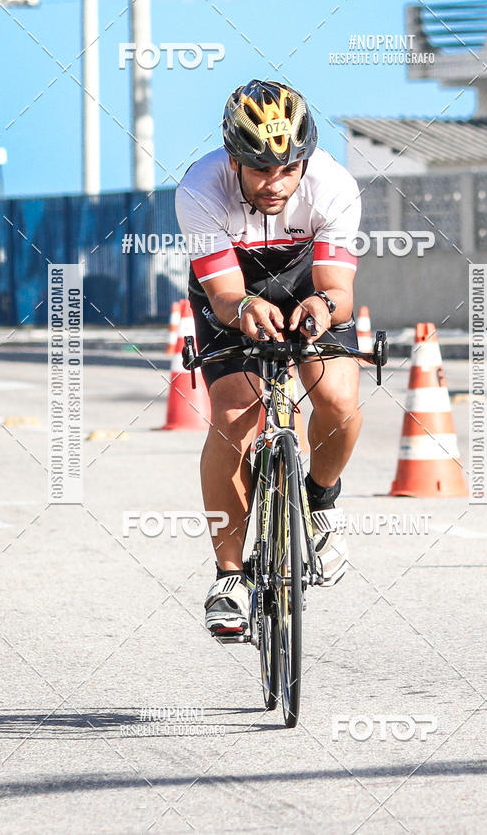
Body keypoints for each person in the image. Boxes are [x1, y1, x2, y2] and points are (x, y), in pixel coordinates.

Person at [175, 79, 363, 637]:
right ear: (233, 160)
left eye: (288, 168)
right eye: (260, 170)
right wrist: (244, 310)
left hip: (309, 285)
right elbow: (227, 294)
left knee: (339, 400)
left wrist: (323, 307)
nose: (275, 183)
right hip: (230, 289)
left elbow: (339, 289)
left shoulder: (333, 185)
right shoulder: (199, 188)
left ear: (306, 160)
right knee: (236, 412)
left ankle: (319, 501)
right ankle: (228, 577)